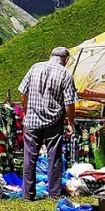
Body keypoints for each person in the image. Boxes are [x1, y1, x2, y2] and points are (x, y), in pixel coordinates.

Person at [17, 47, 77, 200]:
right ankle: (54, 194)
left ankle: (27, 194)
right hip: (53, 121)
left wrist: (26, 110)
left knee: (29, 158)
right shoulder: (65, 74)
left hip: (32, 121)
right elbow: (69, 104)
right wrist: (71, 123)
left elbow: (23, 92)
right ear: (66, 59)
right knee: (54, 158)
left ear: (51, 55)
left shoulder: (35, 67)